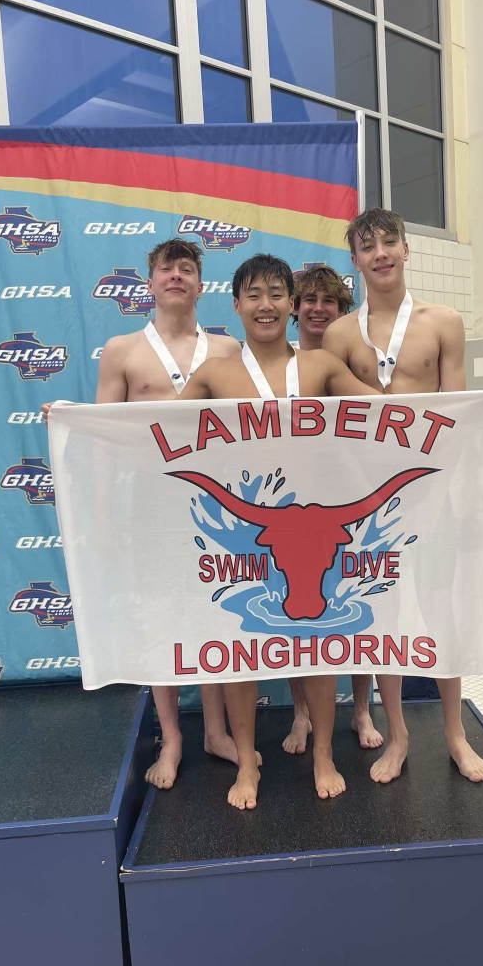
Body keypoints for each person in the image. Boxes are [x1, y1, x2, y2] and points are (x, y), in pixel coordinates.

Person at [43, 237, 252, 791]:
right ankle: (173, 737)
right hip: (148, 507)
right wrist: (105, 516)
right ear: (151, 282)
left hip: (212, 507)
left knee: (215, 615)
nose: (177, 275)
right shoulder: (123, 351)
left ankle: (214, 730)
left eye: (187, 267)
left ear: (200, 283)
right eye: (167, 268)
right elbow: (103, 440)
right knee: (161, 617)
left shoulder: (228, 353)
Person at [178, 254, 380, 810]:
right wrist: (77, 417)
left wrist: (469, 409)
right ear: (236, 305)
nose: (265, 305)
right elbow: (150, 429)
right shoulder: (214, 374)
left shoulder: (319, 368)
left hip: (310, 534)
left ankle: (323, 754)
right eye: (253, 295)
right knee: (242, 652)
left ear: (291, 305)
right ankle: (247, 764)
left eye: (275, 295)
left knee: (315, 645)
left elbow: (392, 411)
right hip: (243, 537)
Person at [322, 207, 483, 787]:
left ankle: (454, 732)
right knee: (384, 618)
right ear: (356, 262)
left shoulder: (443, 321)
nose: (380, 254)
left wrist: (463, 492)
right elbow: (330, 426)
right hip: (371, 503)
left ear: (406, 248)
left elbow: (459, 415)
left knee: (441, 612)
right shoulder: (339, 334)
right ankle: (396, 735)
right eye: (367, 248)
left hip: (432, 493)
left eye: (388, 242)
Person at [281, 265, 383, 755]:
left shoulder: (357, 362)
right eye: (309, 300)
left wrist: (469, 405)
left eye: (330, 301)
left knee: (363, 608)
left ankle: (362, 709)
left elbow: (392, 407)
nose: (319, 308)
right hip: (295, 505)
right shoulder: (275, 364)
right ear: (294, 308)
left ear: (343, 310)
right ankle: (301, 713)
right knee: (298, 621)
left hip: (351, 496)